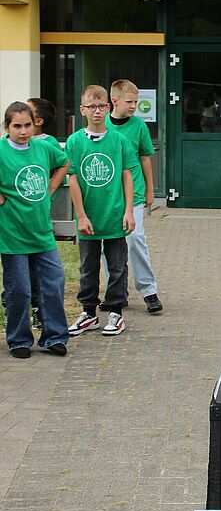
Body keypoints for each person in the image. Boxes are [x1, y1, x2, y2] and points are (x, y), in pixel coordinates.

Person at [0, 101, 70, 358]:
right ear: (7, 127)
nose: (23, 131)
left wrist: (51, 186)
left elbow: (64, 162)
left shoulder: (43, 147)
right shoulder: (1, 151)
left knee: (54, 283)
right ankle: (19, 339)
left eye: (27, 125)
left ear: (34, 124)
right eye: (17, 126)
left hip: (42, 232)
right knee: (19, 290)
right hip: (13, 234)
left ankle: (54, 337)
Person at [66, 85, 136, 337]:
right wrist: (81, 215)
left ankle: (116, 312)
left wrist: (129, 211)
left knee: (117, 266)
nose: (97, 111)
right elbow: (72, 178)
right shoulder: (74, 142)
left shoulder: (119, 141)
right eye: (91, 107)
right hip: (89, 218)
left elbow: (127, 175)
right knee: (88, 267)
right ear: (82, 109)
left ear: (108, 107)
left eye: (101, 106)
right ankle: (88, 313)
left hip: (114, 215)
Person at [105, 79, 163, 314]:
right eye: (129, 102)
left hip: (135, 193)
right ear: (114, 100)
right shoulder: (102, 125)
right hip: (109, 195)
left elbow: (145, 158)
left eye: (136, 102)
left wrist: (150, 189)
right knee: (110, 243)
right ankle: (116, 292)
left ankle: (148, 290)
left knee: (135, 238)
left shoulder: (139, 126)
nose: (133, 106)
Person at [27, 97, 64, 329]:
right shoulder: (8, 144)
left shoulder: (47, 144)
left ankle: (40, 309)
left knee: (43, 266)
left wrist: (50, 188)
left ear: (38, 121)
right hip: (15, 218)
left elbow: (63, 164)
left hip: (39, 217)